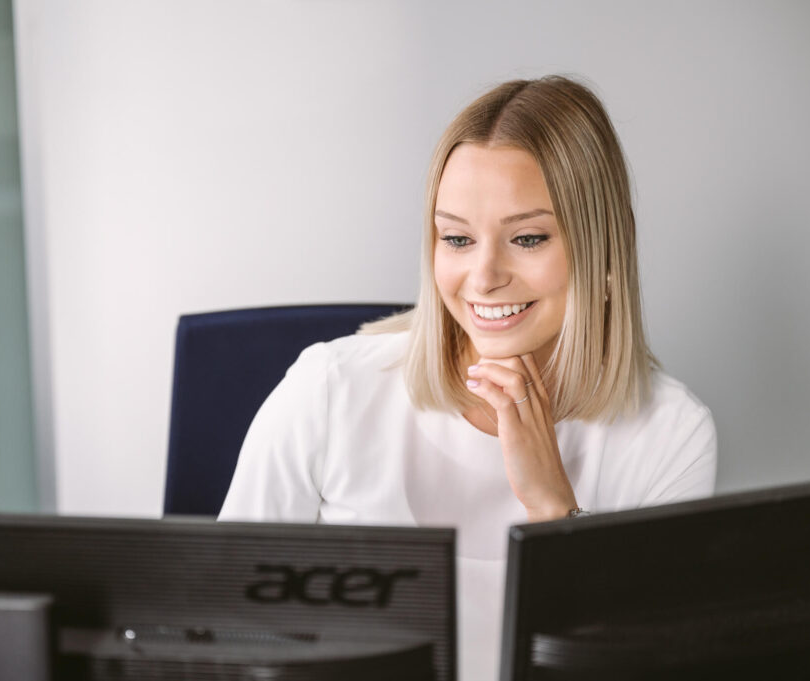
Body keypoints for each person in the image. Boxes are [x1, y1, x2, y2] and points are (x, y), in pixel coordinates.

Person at [218, 75, 717, 681]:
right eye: (457, 238)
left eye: (527, 238)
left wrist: (555, 512)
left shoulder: (672, 433)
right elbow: (225, 628)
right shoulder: (329, 389)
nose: (483, 277)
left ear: (605, 255)